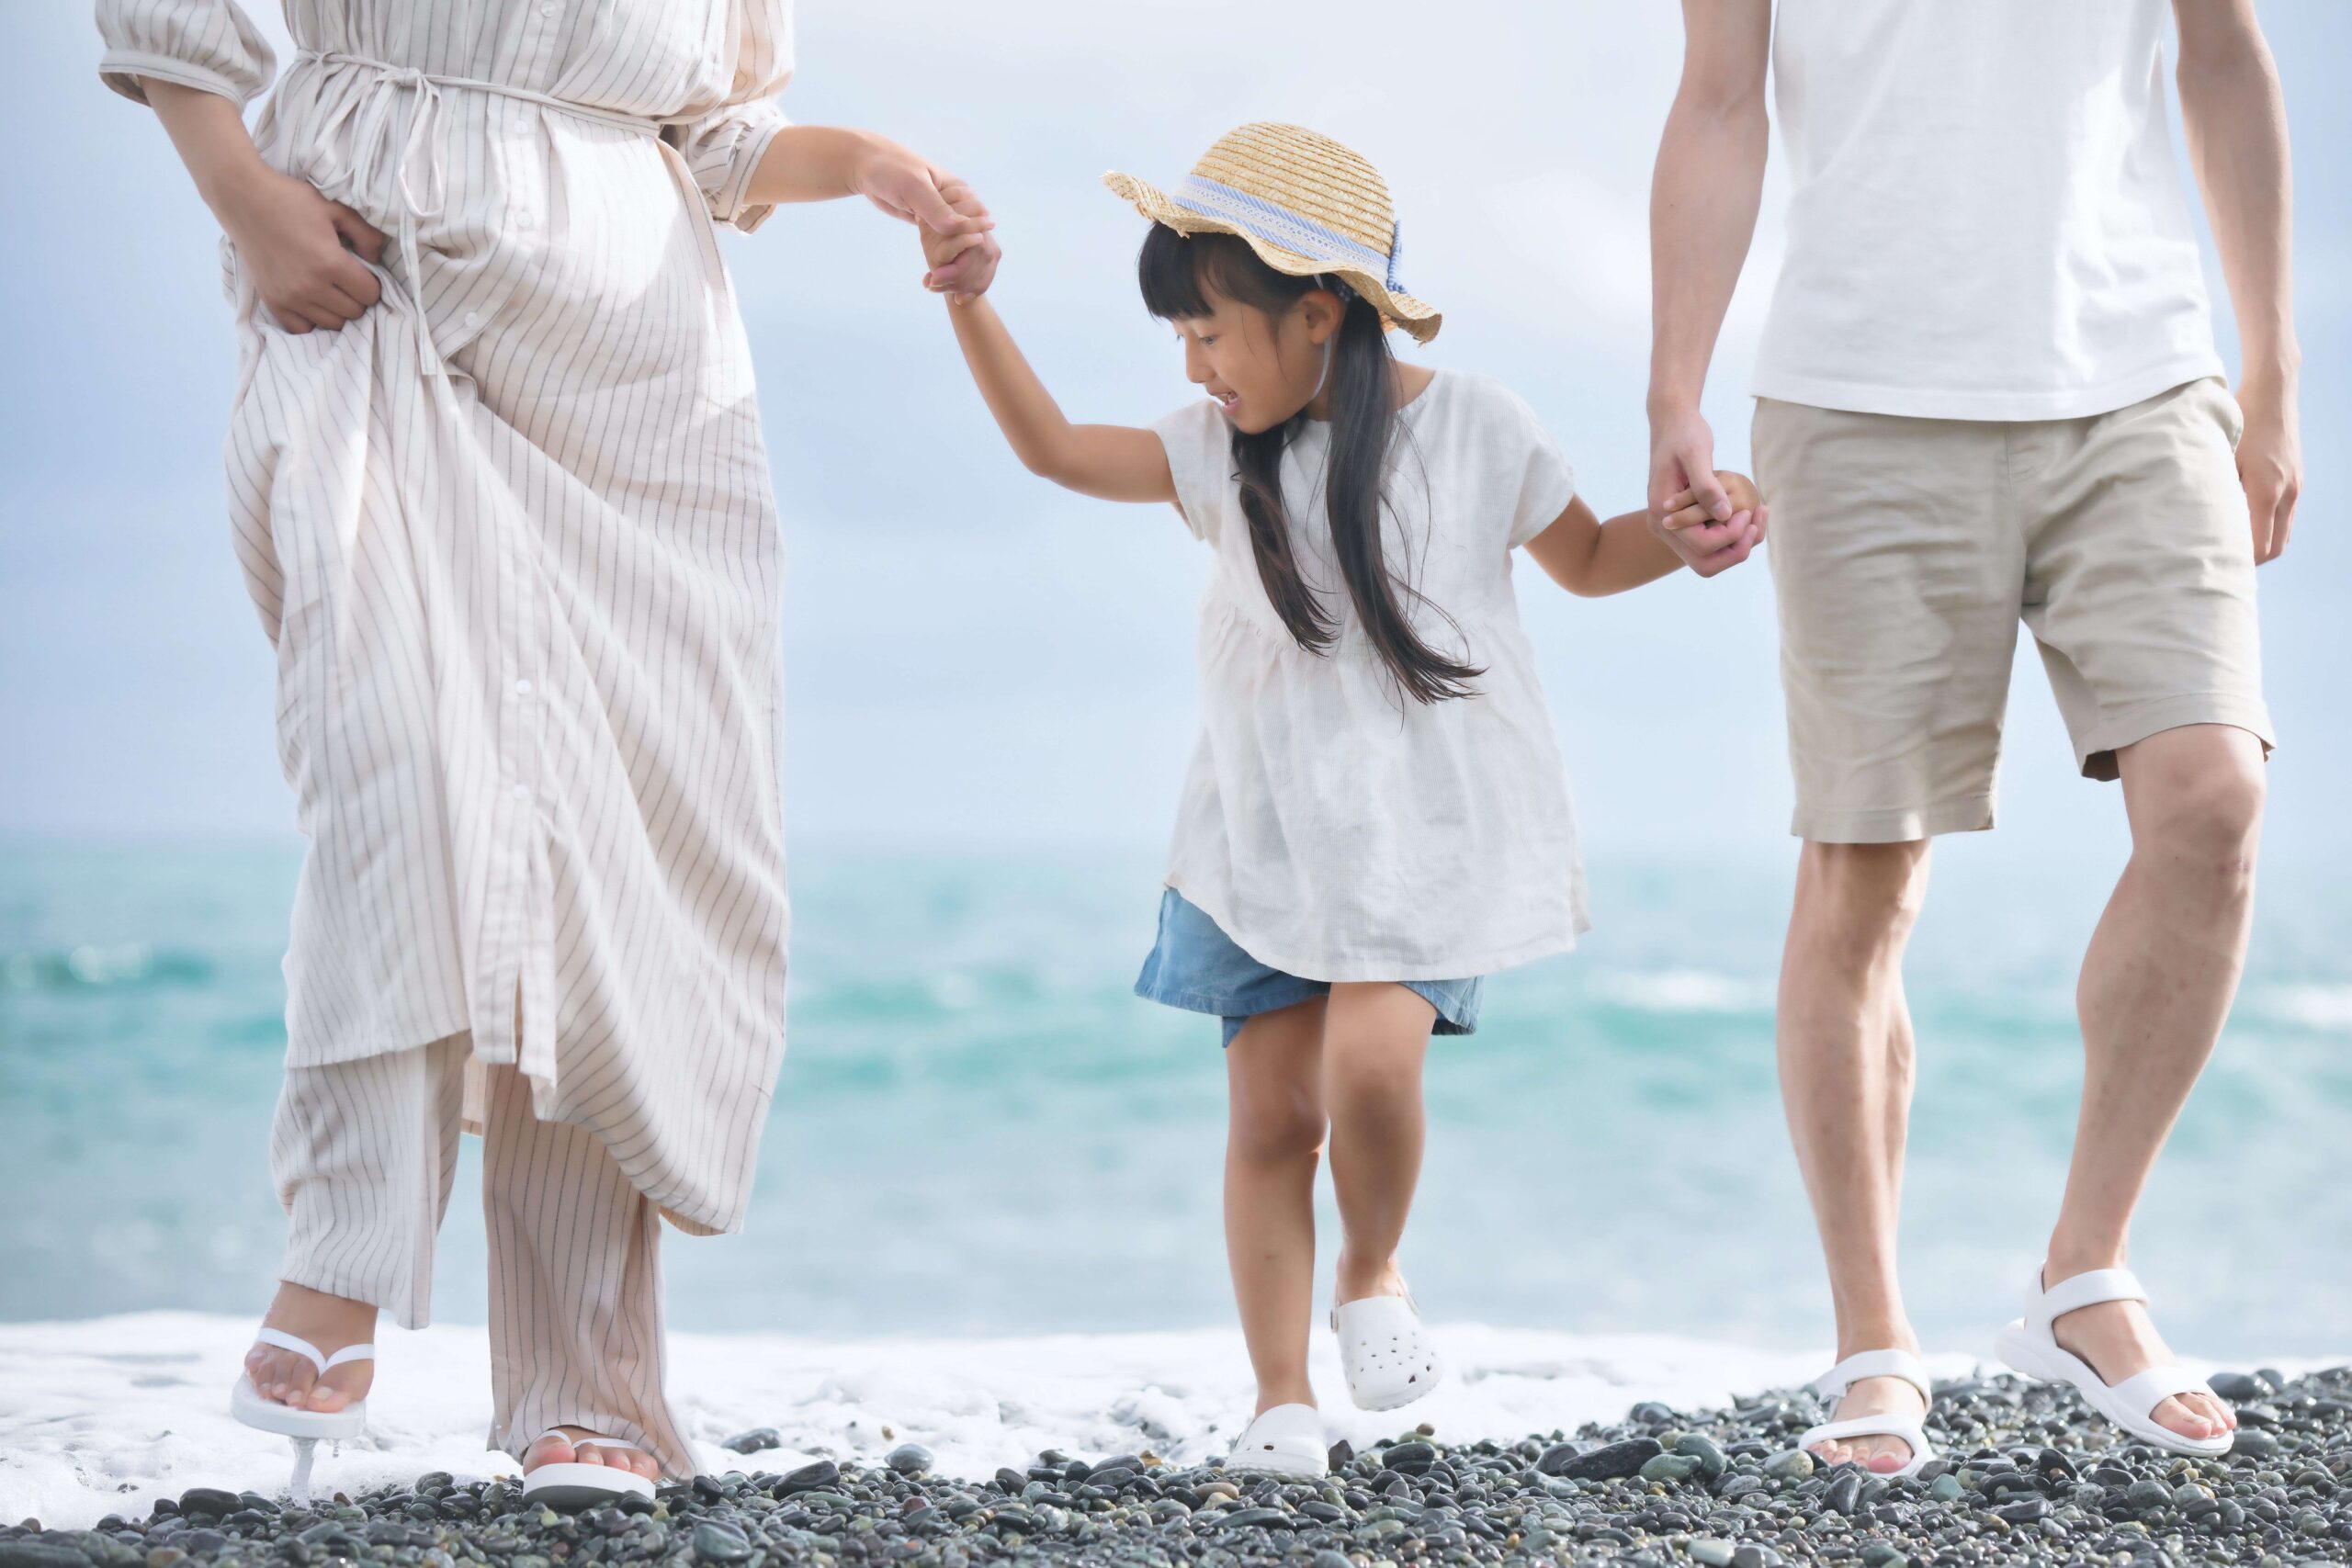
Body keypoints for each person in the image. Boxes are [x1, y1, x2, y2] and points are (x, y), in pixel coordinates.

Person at [96, 0, 1000, 1502]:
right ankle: (340, 1251)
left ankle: (587, 1383)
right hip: (367, 288)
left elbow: (711, 134)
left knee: (609, 846)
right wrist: (245, 198)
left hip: (644, 396)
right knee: (390, 748)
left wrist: (873, 168)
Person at [916, 122, 1764, 1476]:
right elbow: (1057, 453)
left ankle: (1373, 1270)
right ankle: (1279, 1400)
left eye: (1208, 334)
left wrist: (1700, 530)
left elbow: (1593, 560)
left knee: (1371, 1065)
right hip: (1258, 836)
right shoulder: (1216, 451)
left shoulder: (1479, 426)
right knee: (1269, 1121)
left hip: (1427, 841)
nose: (1191, 366)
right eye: (1181, 341)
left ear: (1318, 315)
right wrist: (974, 308)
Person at [1647, 0, 2299, 1473]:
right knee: (1866, 875)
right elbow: (1717, 100)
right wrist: (1672, 385)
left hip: (2139, 377)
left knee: (2211, 805)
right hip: (1857, 396)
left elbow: (2223, 56)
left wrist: (2275, 376)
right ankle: (1875, 1347)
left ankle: (2086, 1276)